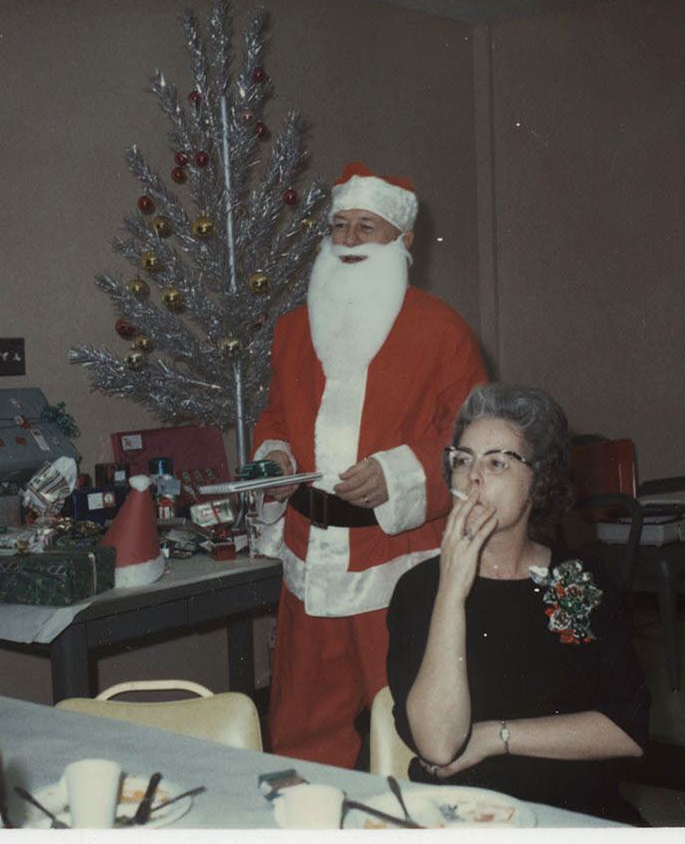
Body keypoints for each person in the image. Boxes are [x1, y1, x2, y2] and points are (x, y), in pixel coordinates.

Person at [251, 161, 487, 768]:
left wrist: (399, 473)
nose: (350, 240)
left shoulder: (442, 330)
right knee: (302, 732)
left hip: (398, 565)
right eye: (340, 227)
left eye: (367, 228)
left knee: (411, 728)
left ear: (403, 243)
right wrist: (273, 455)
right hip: (308, 559)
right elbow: (277, 417)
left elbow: (473, 442)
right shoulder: (291, 330)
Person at [385, 383, 651, 825]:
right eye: (463, 460)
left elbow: (628, 729)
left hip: (575, 811)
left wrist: (494, 737)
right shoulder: (419, 589)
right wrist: (451, 589)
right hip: (465, 817)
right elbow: (438, 746)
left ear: (539, 482)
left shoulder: (579, 579)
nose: (473, 477)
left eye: (496, 463)